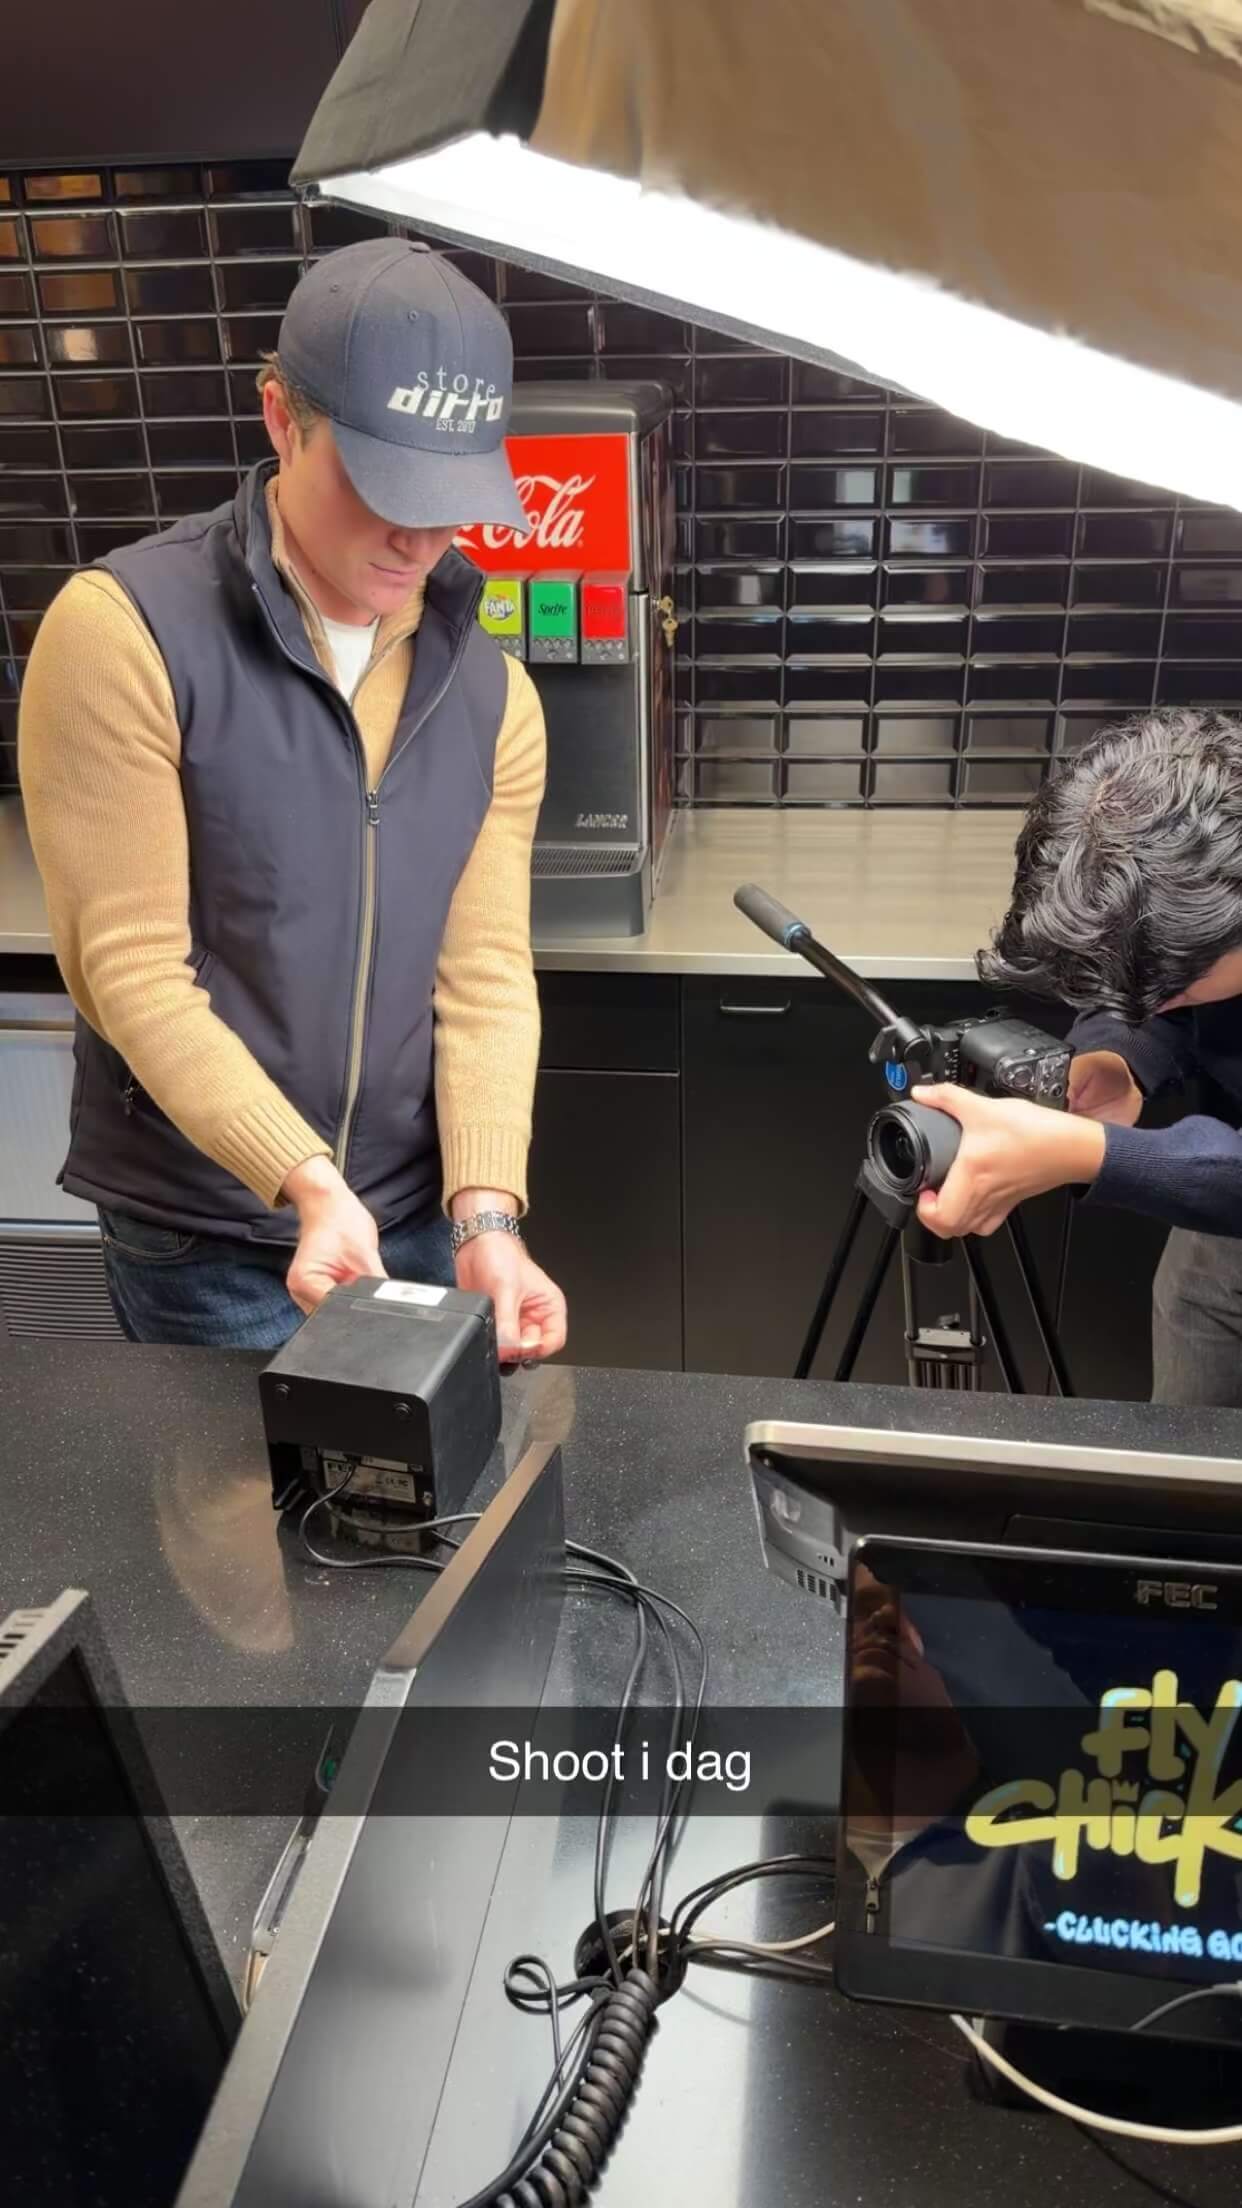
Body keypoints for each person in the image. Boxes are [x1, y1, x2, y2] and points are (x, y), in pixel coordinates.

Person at [18, 239, 567, 1361]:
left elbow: (484, 978)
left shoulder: (492, 693)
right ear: (282, 418)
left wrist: (488, 1217)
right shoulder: (125, 632)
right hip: (212, 1234)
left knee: (448, 1478)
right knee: (243, 1486)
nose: (419, 538)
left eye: (450, 498)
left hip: (417, 1220)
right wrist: (303, 1178)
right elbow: (129, 967)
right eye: (382, 486)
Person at [908, 709, 1242, 1404]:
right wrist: (1119, 1058)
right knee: (1185, 1456)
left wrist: (1092, 1154)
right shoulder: (1204, 896)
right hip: (1218, 1231)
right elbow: (1162, 993)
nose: (1148, 1003)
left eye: (1170, 987)